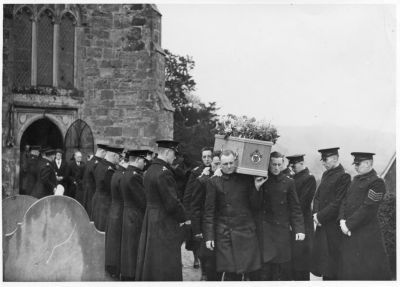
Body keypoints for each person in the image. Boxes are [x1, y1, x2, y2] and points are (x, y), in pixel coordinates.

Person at [203, 149, 262, 281]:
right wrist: (209, 236)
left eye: (231, 163)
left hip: (246, 232)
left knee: (249, 272)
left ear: (235, 162)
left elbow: (256, 206)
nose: (229, 167)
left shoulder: (246, 178)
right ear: (220, 165)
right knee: (230, 273)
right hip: (225, 234)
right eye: (225, 164)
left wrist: (257, 188)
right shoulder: (214, 182)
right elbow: (209, 212)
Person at [135, 140, 188, 281]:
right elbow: (172, 203)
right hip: (164, 220)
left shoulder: (150, 170)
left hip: (151, 217)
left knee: (152, 257)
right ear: (167, 152)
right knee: (165, 259)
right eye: (173, 154)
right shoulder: (164, 173)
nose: (174, 158)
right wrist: (185, 218)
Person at [251, 151, 305, 281]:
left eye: (278, 164)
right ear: (268, 164)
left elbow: (295, 208)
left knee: (280, 270)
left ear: (283, 164)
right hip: (265, 231)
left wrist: (299, 229)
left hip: (281, 231)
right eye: (273, 164)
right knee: (265, 269)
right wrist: (257, 188)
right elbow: (254, 206)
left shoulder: (289, 182)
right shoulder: (262, 180)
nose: (276, 168)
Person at [337, 152, 392, 280]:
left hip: (366, 236)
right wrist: (341, 220)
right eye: (355, 164)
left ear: (368, 163)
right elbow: (344, 201)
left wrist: (348, 225)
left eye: (358, 164)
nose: (355, 167)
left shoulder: (377, 182)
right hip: (349, 233)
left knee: (366, 273)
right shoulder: (355, 180)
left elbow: (368, 208)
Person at [311, 147, 351, 280]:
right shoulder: (325, 174)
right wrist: (316, 213)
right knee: (323, 265)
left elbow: (338, 202)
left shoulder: (344, 176)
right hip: (322, 225)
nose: (323, 163)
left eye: (325, 159)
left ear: (335, 158)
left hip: (333, 228)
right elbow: (317, 196)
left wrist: (320, 216)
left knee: (332, 267)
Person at [191, 151, 221, 281]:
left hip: (220, 225)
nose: (218, 167)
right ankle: (205, 277)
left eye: (220, 164)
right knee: (207, 257)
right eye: (216, 164)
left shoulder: (224, 180)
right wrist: (196, 229)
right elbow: (195, 207)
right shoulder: (202, 180)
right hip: (206, 225)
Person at [286, 154, 316, 280]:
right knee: (293, 262)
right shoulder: (293, 178)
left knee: (302, 263)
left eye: (295, 165)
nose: (292, 167)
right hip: (294, 223)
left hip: (303, 225)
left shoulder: (309, 178)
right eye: (291, 165)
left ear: (302, 163)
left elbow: (303, 203)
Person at [183, 147, 214, 269]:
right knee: (197, 238)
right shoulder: (196, 172)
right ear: (201, 158)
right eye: (204, 157)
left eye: (209, 156)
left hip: (210, 209)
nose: (207, 159)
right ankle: (196, 259)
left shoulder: (216, 170)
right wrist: (187, 215)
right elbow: (188, 194)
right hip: (199, 210)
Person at [120, 149, 148, 281]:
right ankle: (132, 277)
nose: (144, 163)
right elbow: (143, 200)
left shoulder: (127, 172)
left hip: (128, 214)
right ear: (137, 160)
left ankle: (128, 275)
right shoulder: (135, 176)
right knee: (133, 247)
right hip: (135, 216)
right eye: (143, 160)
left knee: (129, 247)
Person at [105, 150, 129, 279]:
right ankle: (116, 268)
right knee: (117, 240)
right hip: (120, 210)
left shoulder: (116, 173)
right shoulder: (122, 175)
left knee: (113, 240)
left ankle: (112, 267)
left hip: (114, 208)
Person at [91, 145, 123, 232]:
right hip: (105, 203)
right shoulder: (109, 170)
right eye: (119, 156)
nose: (120, 159)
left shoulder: (100, 164)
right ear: (114, 155)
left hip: (98, 199)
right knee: (103, 230)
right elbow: (111, 189)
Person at [82, 143, 108, 219]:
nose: (105, 156)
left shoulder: (90, 162)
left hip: (87, 193)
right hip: (93, 193)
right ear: (103, 152)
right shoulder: (99, 164)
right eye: (105, 153)